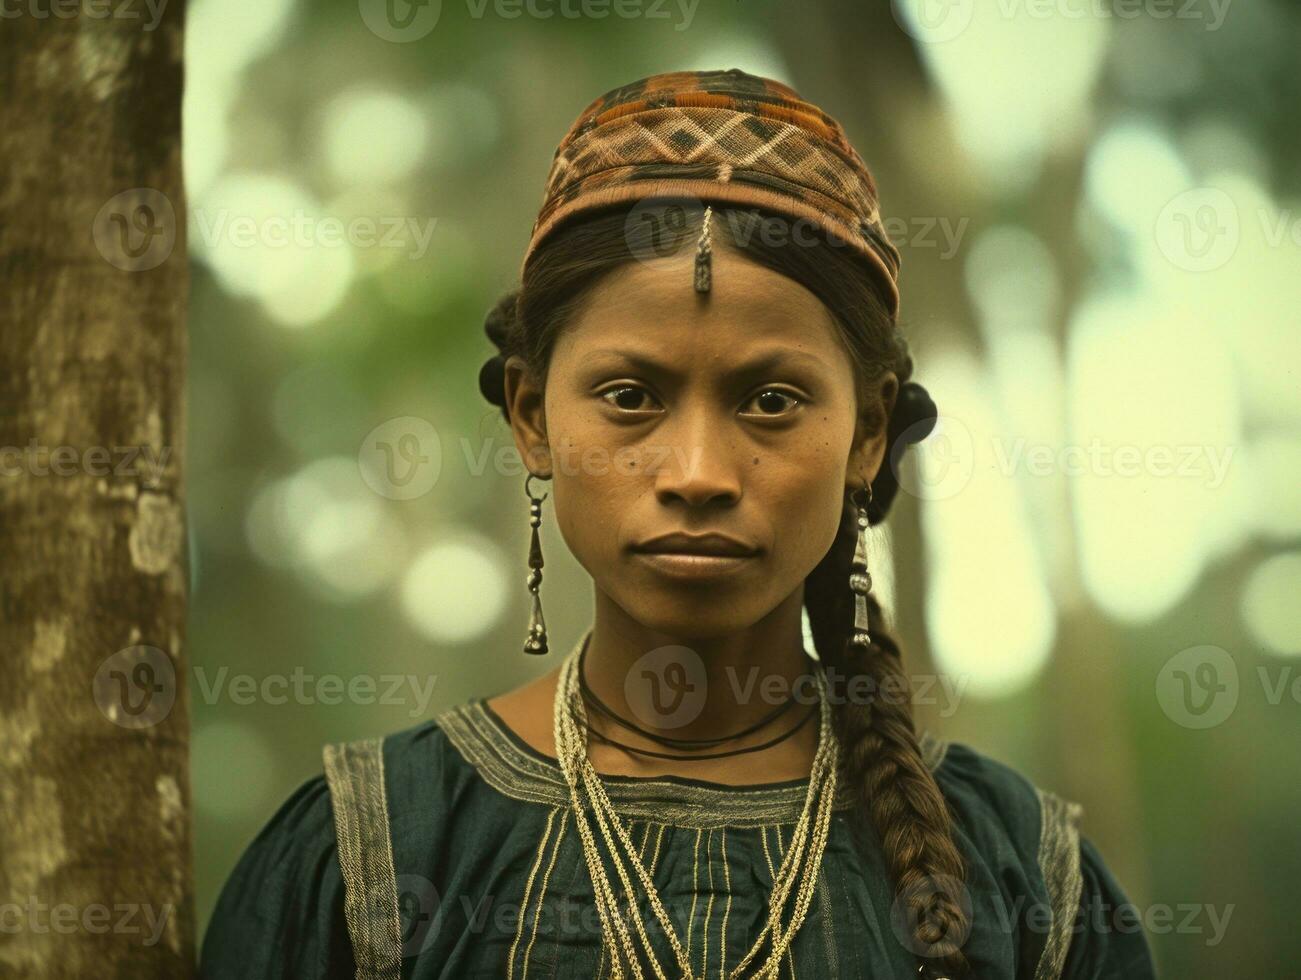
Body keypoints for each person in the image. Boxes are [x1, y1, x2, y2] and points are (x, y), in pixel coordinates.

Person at [200, 68, 1158, 979]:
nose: (697, 474)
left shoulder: (1024, 874)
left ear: (867, 432)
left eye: (772, 401)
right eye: (629, 396)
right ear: (533, 418)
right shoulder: (369, 850)